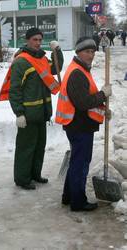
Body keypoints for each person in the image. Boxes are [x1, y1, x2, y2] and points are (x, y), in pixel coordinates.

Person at [0, 27, 64, 190]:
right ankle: (22, 179)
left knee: (39, 147)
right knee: (26, 148)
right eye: (35, 40)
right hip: (27, 114)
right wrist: (19, 113)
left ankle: (35, 174)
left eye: (40, 40)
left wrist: (57, 51)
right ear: (27, 41)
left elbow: (56, 68)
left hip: (42, 113)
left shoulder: (42, 59)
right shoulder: (22, 61)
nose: (38, 43)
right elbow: (15, 90)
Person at [55, 37, 112, 211]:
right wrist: (103, 94)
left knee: (76, 161)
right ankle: (78, 202)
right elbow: (83, 102)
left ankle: (68, 196)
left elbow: (85, 100)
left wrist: (103, 109)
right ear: (78, 52)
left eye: (93, 52)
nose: (91, 55)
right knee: (80, 163)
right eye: (87, 51)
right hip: (79, 126)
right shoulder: (77, 73)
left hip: (79, 124)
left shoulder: (81, 69)